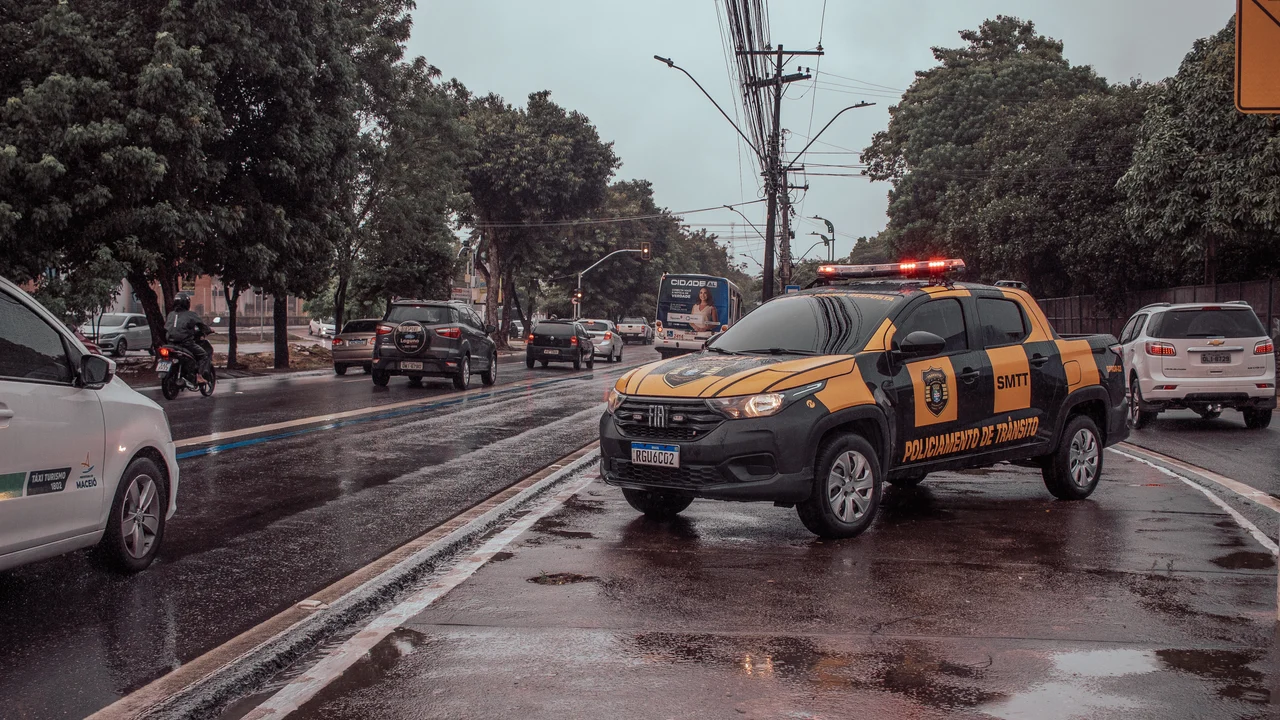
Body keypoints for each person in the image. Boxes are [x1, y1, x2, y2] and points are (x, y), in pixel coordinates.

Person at [165, 294, 212, 385]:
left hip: (170, 343)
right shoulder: (191, 315)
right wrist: (209, 330)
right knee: (203, 355)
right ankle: (199, 376)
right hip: (185, 343)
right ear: (187, 304)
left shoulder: (171, 314)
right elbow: (202, 326)